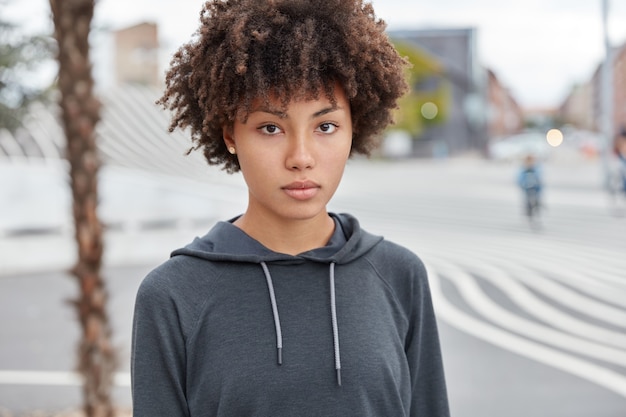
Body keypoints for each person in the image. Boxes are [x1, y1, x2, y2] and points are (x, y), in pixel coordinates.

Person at [131, 1, 450, 416]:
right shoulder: (173, 295)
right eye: (270, 127)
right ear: (230, 134)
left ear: (356, 127)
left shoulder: (399, 275)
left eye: (325, 126)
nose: (301, 157)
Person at [517, 154, 543, 223]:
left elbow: (539, 179)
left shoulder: (535, 169)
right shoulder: (524, 170)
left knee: (536, 200)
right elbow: (520, 178)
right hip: (527, 189)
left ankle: (536, 210)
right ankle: (529, 212)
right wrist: (522, 185)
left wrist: (539, 187)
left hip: (535, 188)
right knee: (528, 201)